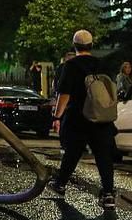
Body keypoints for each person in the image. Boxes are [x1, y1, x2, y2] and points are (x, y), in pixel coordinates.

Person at [48, 30, 117, 210]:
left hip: (78, 118)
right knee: (103, 156)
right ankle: (108, 193)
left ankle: (60, 184)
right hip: (101, 119)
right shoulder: (102, 64)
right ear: (91, 45)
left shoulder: (70, 66)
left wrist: (57, 116)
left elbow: (64, 94)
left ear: (75, 46)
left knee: (72, 153)